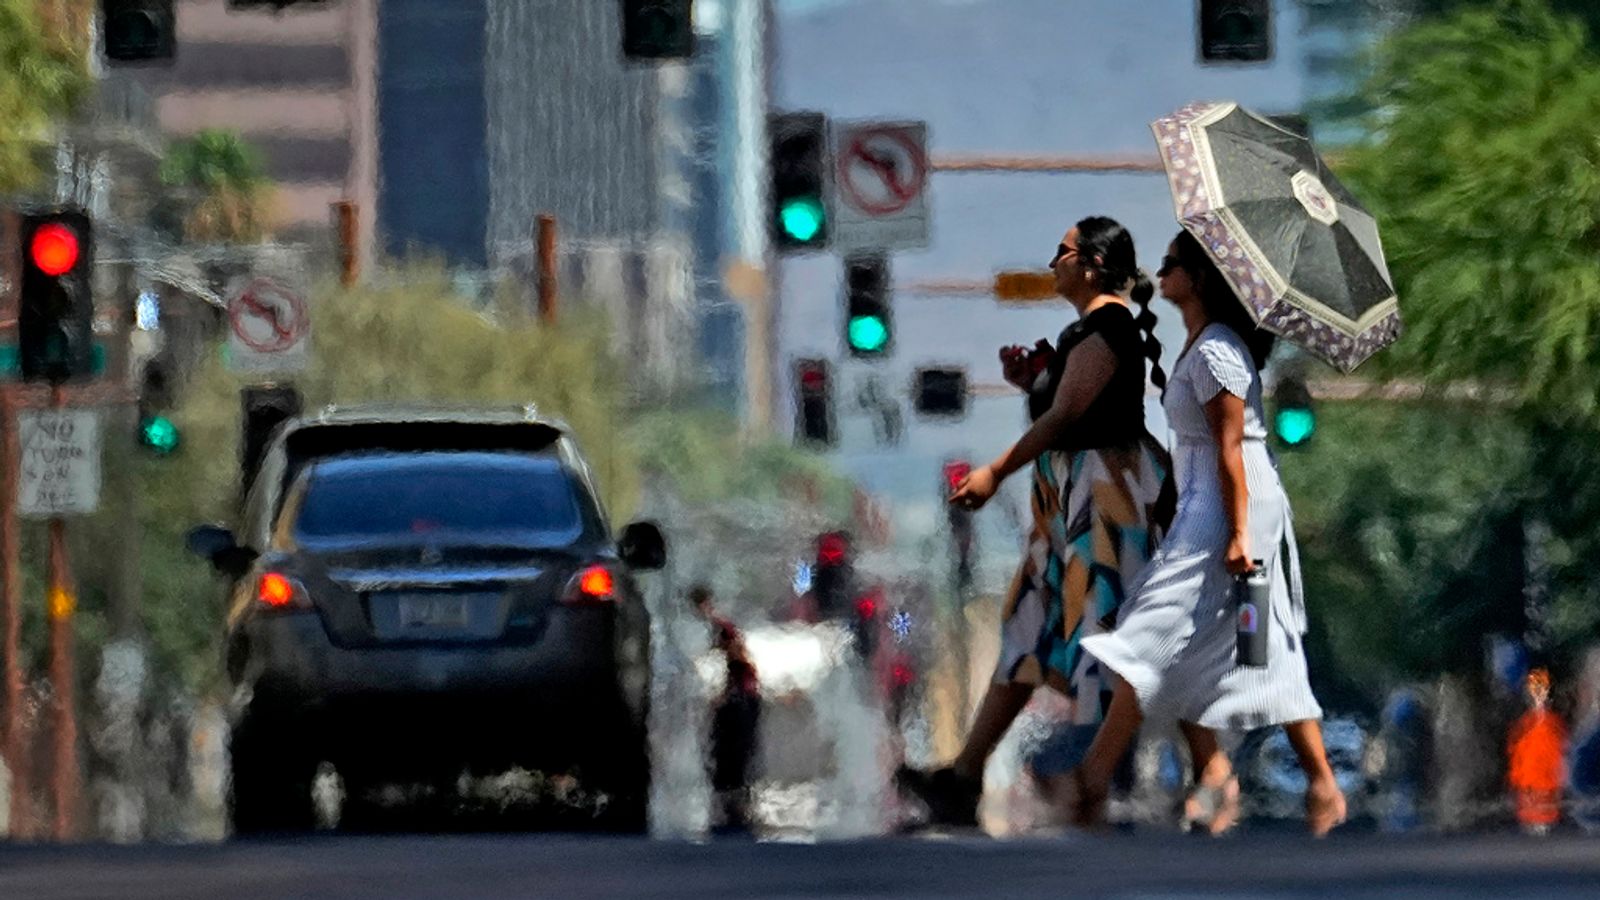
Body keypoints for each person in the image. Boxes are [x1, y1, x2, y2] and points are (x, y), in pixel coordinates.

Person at [1045, 229, 1346, 836]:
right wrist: (1173, 502)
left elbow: (1232, 448)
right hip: (1212, 503)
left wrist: (1236, 535)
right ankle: (1313, 782)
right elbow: (1203, 449)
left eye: (1173, 262)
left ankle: (1094, 777)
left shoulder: (1217, 352)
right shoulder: (1204, 346)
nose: (1162, 270)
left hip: (1232, 508)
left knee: (1153, 631)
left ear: (1201, 279)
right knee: (1259, 647)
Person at [898, 216, 1177, 826]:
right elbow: (1062, 409)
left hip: (1102, 502)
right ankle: (965, 776)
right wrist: (1032, 384)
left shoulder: (1109, 328)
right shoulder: (1084, 334)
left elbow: (1067, 417)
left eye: (1064, 251)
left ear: (1093, 265)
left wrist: (994, 471)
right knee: (1029, 625)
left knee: (1104, 631)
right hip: (1067, 502)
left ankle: (1094, 773)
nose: (1053, 262)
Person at [689, 584, 762, 832]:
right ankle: (732, 798)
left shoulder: (719, 629)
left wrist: (724, 694)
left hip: (738, 699)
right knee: (730, 750)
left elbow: (734, 661)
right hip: (740, 697)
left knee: (731, 749)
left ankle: (732, 798)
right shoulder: (719, 628)